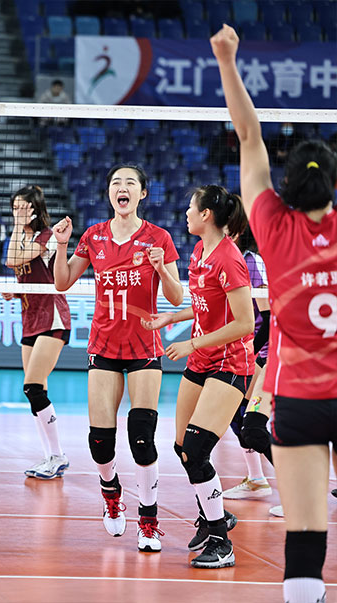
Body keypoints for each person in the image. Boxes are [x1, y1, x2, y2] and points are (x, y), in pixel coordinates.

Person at [212, 24, 337, 602]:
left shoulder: (272, 227)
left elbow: (249, 135)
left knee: (305, 540)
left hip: (301, 401)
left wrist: (227, 59)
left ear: (285, 188)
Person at [52, 163, 183, 553]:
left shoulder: (158, 238)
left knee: (142, 437)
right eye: (115, 183)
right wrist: (61, 245)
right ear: (109, 193)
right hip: (104, 347)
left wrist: (161, 269)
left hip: (144, 347)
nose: (121, 188)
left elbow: (176, 297)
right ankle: (111, 492)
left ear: (142, 193)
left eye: (129, 183)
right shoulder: (93, 236)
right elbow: (62, 282)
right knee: (100, 442)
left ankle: (148, 519)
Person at [142, 184, 254, 569]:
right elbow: (206, 303)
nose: (186, 212)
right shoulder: (199, 251)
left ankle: (221, 541)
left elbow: (245, 322)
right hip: (202, 360)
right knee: (181, 446)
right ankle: (212, 515)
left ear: (206, 214)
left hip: (229, 363)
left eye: (192, 207)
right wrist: (173, 317)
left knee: (196, 448)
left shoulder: (229, 258)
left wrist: (191, 343)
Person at [3, 185, 71, 479]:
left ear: (35, 209)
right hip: (30, 318)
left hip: (53, 318)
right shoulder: (21, 237)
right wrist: (16, 291)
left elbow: (11, 260)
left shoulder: (47, 237)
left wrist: (18, 226)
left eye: (23, 207)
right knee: (35, 391)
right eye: (14, 207)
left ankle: (57, 455)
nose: (17, 212)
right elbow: (21, 266)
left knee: (32, 386)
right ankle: (50, 457)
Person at [222, 225, 274, 501]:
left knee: (253, 424)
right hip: (240, 351)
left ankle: (296, 487)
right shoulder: (222, 259)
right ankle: (256, 478)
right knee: (237, 415)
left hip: (262, 353)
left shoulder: (251, 262)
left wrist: (251, 353)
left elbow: (268, 318)